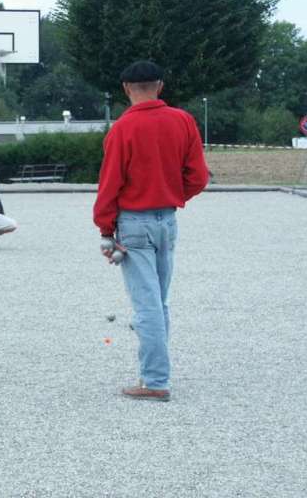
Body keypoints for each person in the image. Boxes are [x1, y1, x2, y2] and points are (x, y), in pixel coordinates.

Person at [93, 61, 209, 402]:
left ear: (127, 88)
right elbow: (199, 177)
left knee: (146, 306)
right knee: (159, 301)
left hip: (133, 223)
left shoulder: (122, 130)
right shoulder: (184, 121)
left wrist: (105, 229)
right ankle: (155, 373)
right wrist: (174, 194)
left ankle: (155, 380)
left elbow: (109, 185)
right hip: (167, 222)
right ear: (160, 85)